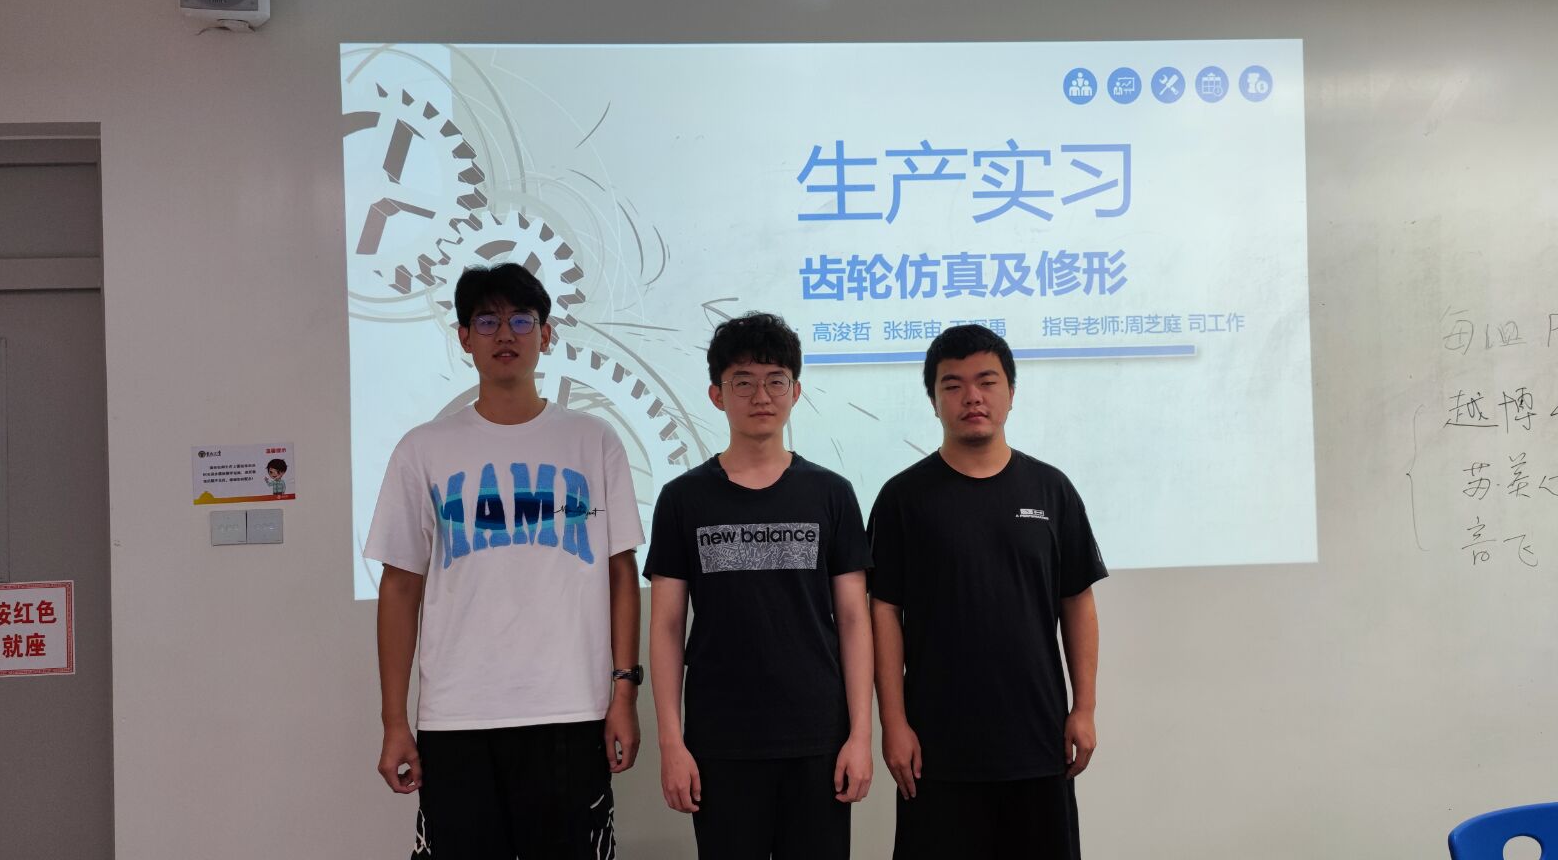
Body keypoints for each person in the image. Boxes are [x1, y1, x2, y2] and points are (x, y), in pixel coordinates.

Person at [366, 262, 645, 860]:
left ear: (546, 334)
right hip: (457, 716)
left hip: (571, 708)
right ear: (464, 337)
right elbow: (400, 587)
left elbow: (620, 573)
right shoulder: (423, 449)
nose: (505, 334)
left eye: (521, 319)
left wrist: (624, 693)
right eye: (487, 321)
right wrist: (395, 721)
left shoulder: (593, 441)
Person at [868, 324, 1105, 860]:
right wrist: (894, 722)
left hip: (1039, 740)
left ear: (1010, 393)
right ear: (933, 400)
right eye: (952, 385)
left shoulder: (1052, 490)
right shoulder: (903, 498)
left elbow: (1077, 602)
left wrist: (1085, 707)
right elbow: (884, 611)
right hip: (937, 749)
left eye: (987, 381)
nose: (971, 396)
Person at [646, 312, 874, 859]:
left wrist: (860, 736)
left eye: (776, 380)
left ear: (796, 391)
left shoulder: (831, 494)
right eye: (743, 382)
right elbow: (667, 626)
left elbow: (853, 619)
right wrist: (671, 742)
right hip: (720, 743)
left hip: (817, 740)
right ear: (716, 394)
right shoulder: (683, 499)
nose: (761, 396)